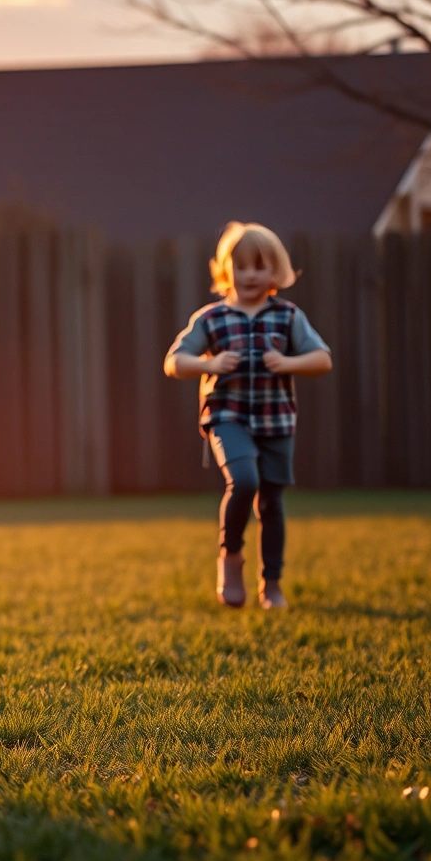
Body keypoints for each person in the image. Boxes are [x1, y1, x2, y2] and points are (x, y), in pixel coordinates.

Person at [163, 223, 331, 610]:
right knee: (244, 480)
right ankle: (231, 558)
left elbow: (322, 359)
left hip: (276, 422)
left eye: (260, 266)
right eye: (241, 267)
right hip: (228, 417)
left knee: (272, 502)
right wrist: (212, 362)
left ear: (276, 271)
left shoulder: (288, 317)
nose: (250, 275)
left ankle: (271, 584)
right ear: (227, 271)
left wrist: (289, 362)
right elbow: (174, 362)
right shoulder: (212, 318)